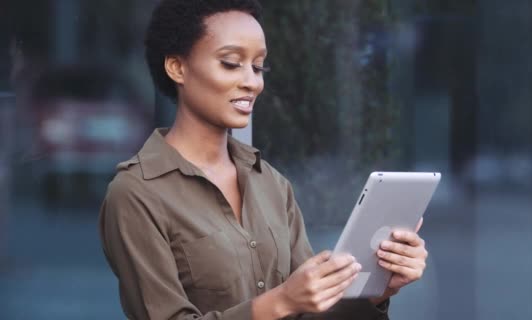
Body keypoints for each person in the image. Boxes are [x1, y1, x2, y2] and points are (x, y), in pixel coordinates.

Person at [98, 0, 429, 319]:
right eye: (231, 63)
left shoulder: (270, 182)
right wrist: (280, 301)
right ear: (177, 67)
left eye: (258, 67)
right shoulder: (136, 194)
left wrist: (378, 290)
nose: (252, 82)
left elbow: (308, 311)